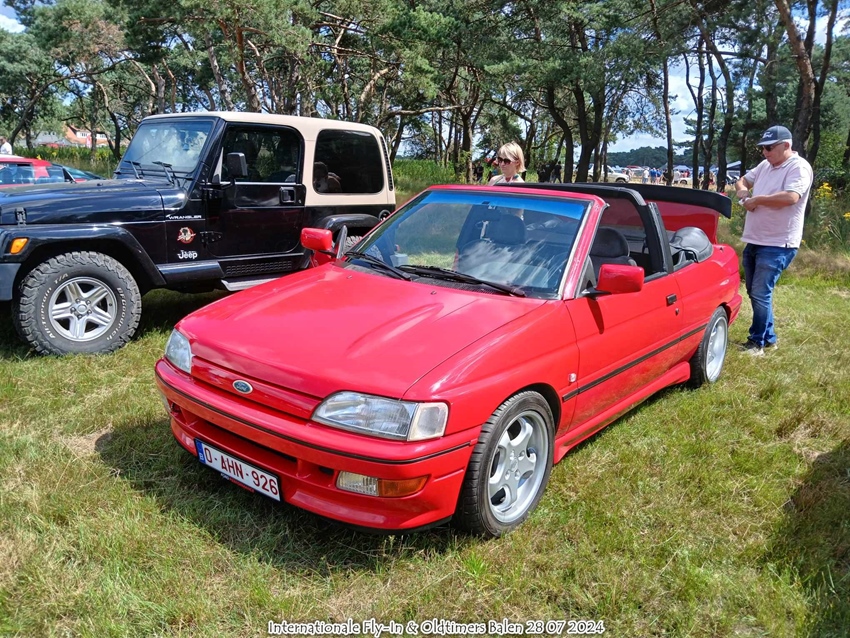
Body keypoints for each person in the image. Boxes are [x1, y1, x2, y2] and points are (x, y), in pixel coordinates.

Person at [734, 125, 813, 356]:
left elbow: (791, 197)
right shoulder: (765, 165)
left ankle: (756, 343)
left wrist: (757, 200)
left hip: (779, 243)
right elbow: (742, 181)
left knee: (760, 292)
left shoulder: (798, 167)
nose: (764, 152)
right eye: (763, 148)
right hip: (756, 238)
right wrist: (742, 192)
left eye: (769, 148)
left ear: (786, 145)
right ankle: (769, 339)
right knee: (754, 291)